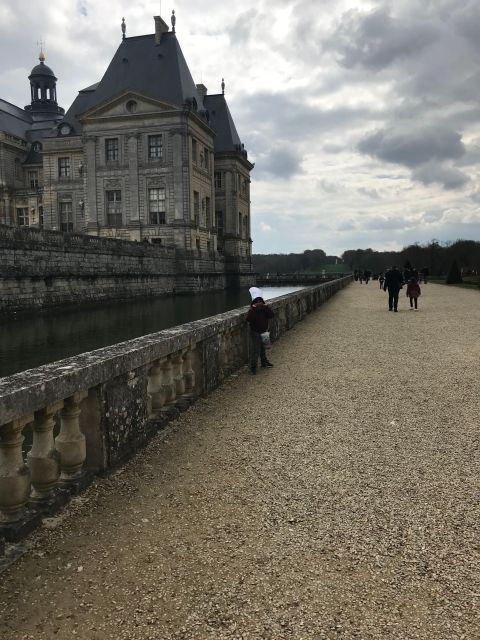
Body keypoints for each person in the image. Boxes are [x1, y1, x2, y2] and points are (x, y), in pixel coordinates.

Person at [247, 287, 274, 374]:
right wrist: (254, 309)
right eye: (257, 301)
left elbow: (271, 315)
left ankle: (264, 362)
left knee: (264, 348)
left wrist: (267, 307)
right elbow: (249, 319)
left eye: (260, 301)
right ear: (254, 302)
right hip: (255, 332)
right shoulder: (252, 311)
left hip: (264, 331)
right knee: (256, 350)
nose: (259, 303)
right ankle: (253, 367)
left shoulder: (264, 309)